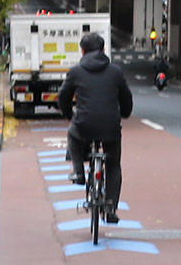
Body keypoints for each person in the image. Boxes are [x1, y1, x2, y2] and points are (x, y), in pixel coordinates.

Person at [57, 32, 133, 224]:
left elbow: (63, 98)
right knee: (113, 165)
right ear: (103, 50)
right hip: (110, 127)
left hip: (84, 125)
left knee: (72, 135)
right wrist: (124, 113)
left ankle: (79, 173)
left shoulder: (75, 72)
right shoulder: (115, 72)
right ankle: (110, 207)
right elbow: (126, 99)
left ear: (82, 51)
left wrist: (69, 115)